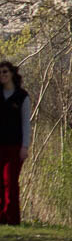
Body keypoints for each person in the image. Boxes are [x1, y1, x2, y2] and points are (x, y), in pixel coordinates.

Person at [0, 62, 31, 226]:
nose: (2, 75)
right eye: (0, 73)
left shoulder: (21, 96)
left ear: (12, 73)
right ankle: (1, 218)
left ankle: (12, 219)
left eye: (5, 72)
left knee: (10, 182)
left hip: (14, 146)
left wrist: (25, 146)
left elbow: (26, 123)